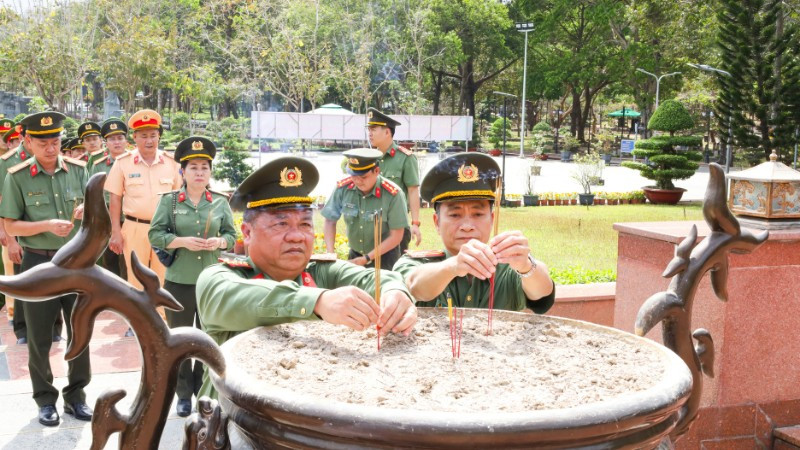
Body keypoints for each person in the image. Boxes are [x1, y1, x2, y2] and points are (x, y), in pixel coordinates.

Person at [196, 156, 417, 399]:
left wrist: (396, 293)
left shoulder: (321, 272)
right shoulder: (219, 278)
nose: (297, 236)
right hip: (235, 419)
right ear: (247, 232)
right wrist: (318, 302)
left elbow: (378, 279)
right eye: (281, 224)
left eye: (305, 224)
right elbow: (240, 297)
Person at [0, 111, 93, 426]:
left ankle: (77, 397)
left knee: (80, 330)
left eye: (55, 141)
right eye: (43, 143)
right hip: (38, 262)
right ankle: (45, 400)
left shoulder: (80, 171)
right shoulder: (17, 175)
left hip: (76, 261)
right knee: (39, 335)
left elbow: (99, 209)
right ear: (28, 141)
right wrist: (47, 225)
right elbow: (11, 224)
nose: (51, 148)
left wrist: (88, 210)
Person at [393, 152, 556, 313]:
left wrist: (526, 266)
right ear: (437, 222)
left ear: (492, 219)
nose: (467, 226)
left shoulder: (507, 267)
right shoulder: (416, 263)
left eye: (477, 214)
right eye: (455, 215)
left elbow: (542, 296)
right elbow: (414, 285)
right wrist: (454, 266)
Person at [148, 136, 236, 416]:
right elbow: (155, 235)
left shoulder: (220, 203)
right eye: (194, 167)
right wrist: (181, 241)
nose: (199, 173)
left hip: (212, 281)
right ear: (182, 172)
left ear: (210, 172)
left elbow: (232, 236)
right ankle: (183, 393)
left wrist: (220, 243)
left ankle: (205, 390)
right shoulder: (170, 202)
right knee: (182, 341)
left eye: (204, 168)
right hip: (180, 281)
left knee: (210, 339)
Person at [104, 109, 182, 293]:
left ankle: (161, 321)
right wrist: (115, 231)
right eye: (144, 136)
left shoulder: (172, 162)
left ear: (159, 137)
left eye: (153, 135)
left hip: (165, 229)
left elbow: (178, 197)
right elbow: (115, 199)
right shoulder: (123, 162)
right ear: (135, 138)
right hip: (134, 228)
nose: (149, 140)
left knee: (163, 278)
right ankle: (136, 321)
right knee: (135, 278)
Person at [321, 148, 408, 270]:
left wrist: (366, 258)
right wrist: (330, 253)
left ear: (376, 171)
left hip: (385, 258)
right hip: (355, 255)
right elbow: (330, 220)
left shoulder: (393, 194)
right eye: (353, 175)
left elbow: (396, 235)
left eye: (363, 176)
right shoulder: (343, 188)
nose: (358, 181)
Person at [367, 108, 422, 253]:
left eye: (373, 129)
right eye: (369, 129)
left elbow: (413, 190)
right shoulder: (368, 159)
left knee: (394, 270)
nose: (369, 133)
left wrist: (415, 223)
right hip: (370, 223)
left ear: (387, 132)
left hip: (396, 226)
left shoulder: (405, 158)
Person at [0, 123, 32, 343]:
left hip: (44, 229)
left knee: (50, 280)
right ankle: (21, 328)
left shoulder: (53, 159)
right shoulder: (7, 162)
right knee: (21, 278)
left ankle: (54, 328)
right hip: (17, 227)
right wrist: (5, 233)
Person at [90, 118, 130, 281]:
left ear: (126, 141)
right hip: (107, 222)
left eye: (120, 138)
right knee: (109, 262)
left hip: (129, 221)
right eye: (112, 139)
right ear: (105, 142)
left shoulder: (134, 162)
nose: (117, 142)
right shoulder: (98, 165)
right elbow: (94, 195)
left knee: (128, 262)